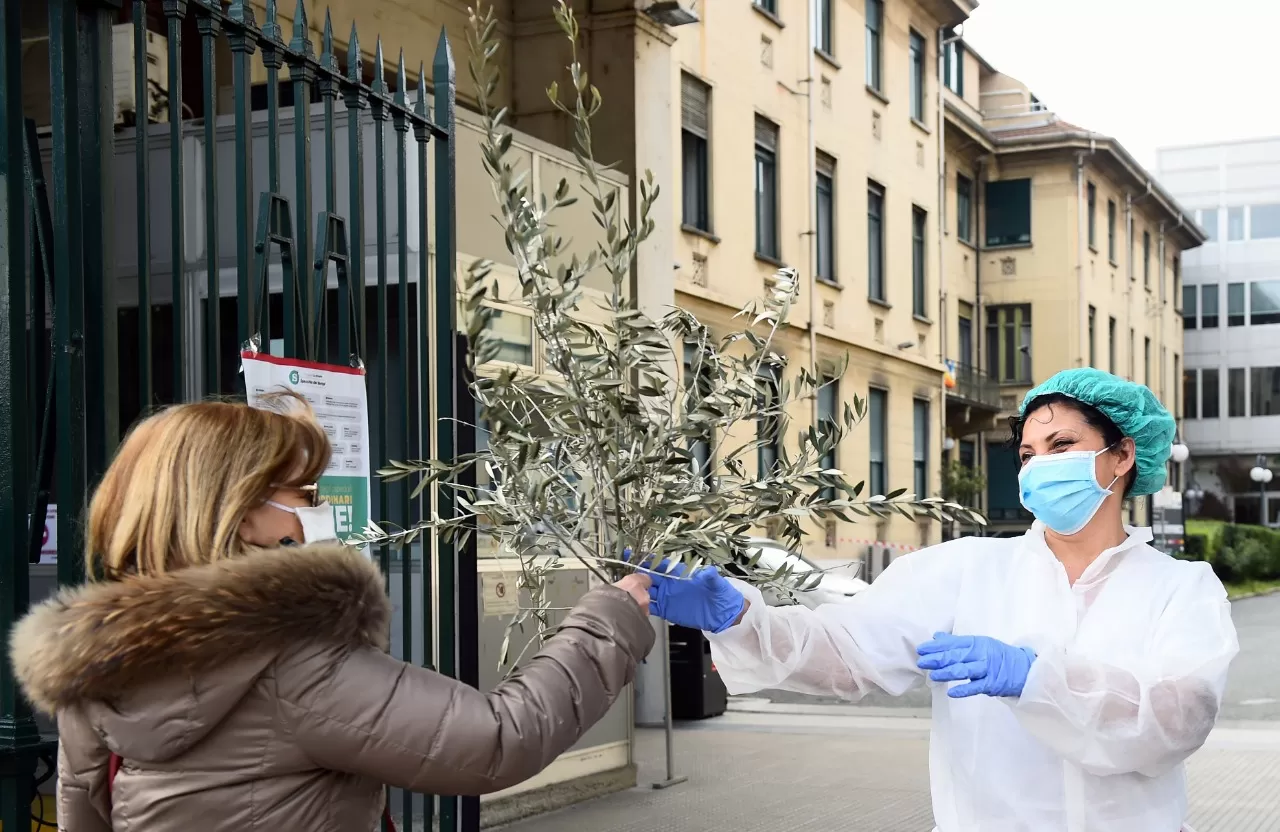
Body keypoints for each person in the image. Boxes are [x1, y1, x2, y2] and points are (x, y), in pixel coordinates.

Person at [9, 395, 655, 832]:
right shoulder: (289, 660)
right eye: (305, 492)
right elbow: (496, 740)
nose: (320, 509)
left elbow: (81, 805)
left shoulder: (98, 655)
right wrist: (609, 619)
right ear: (238, 508)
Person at [642, 368, 1238, 832]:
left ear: (1124, 455)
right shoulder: (962, 571)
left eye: (1062, 445)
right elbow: (847, 654)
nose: (1037, 468)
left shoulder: (1180, 589)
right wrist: (744, 620)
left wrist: (1038, 678)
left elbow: (1179, 719)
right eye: (1028, 455)